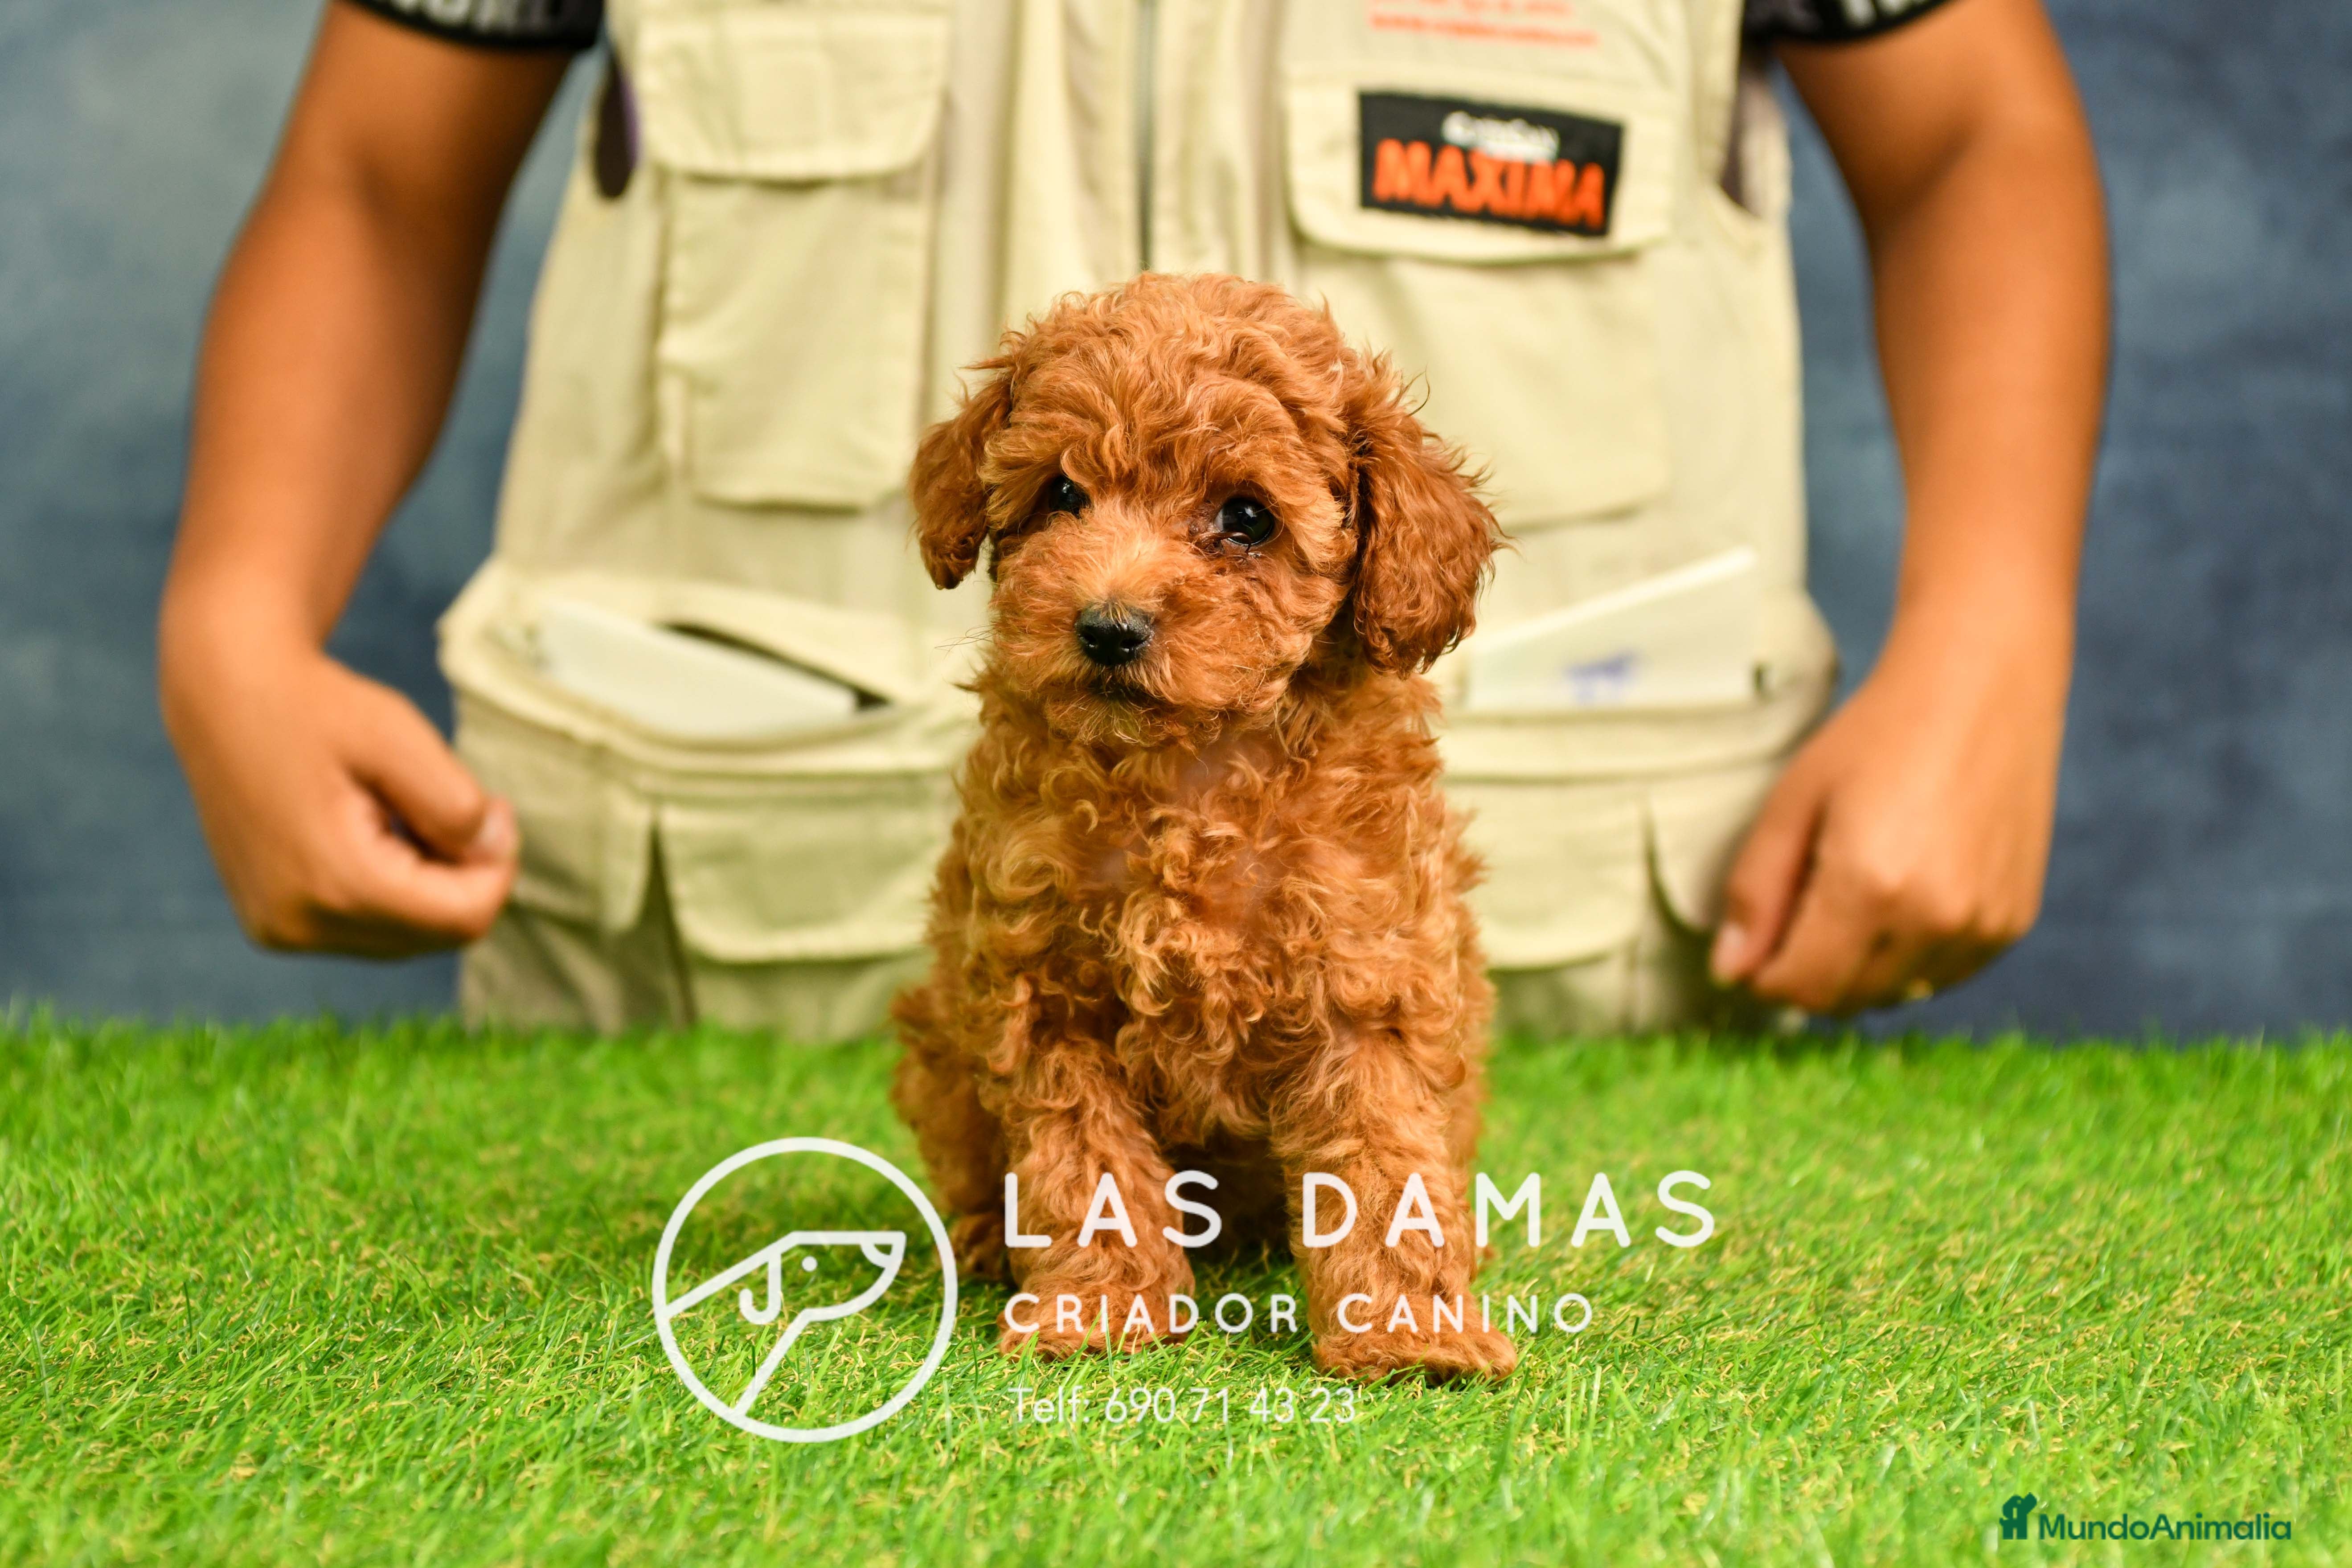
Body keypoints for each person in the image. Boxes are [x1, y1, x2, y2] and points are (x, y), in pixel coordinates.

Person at [158, 0, 2107, 1039]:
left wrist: (1996, 633)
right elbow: (375, 177)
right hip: (705, 974)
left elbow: (1970, 138)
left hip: (1567, 953)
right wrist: (239, 608)